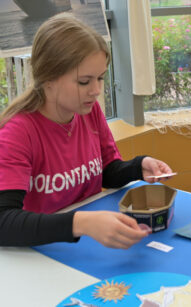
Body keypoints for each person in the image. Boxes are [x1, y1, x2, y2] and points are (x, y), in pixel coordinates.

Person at [0, 14, 173, 248]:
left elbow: (106, 172)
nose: (96, 90)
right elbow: (4, 222)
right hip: (39, 251)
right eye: (84, 82)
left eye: (100, 78)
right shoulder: (18, 132)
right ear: (48, 79)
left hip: (83, 244)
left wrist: (138, 167)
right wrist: (80, 223)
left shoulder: (88, 112)